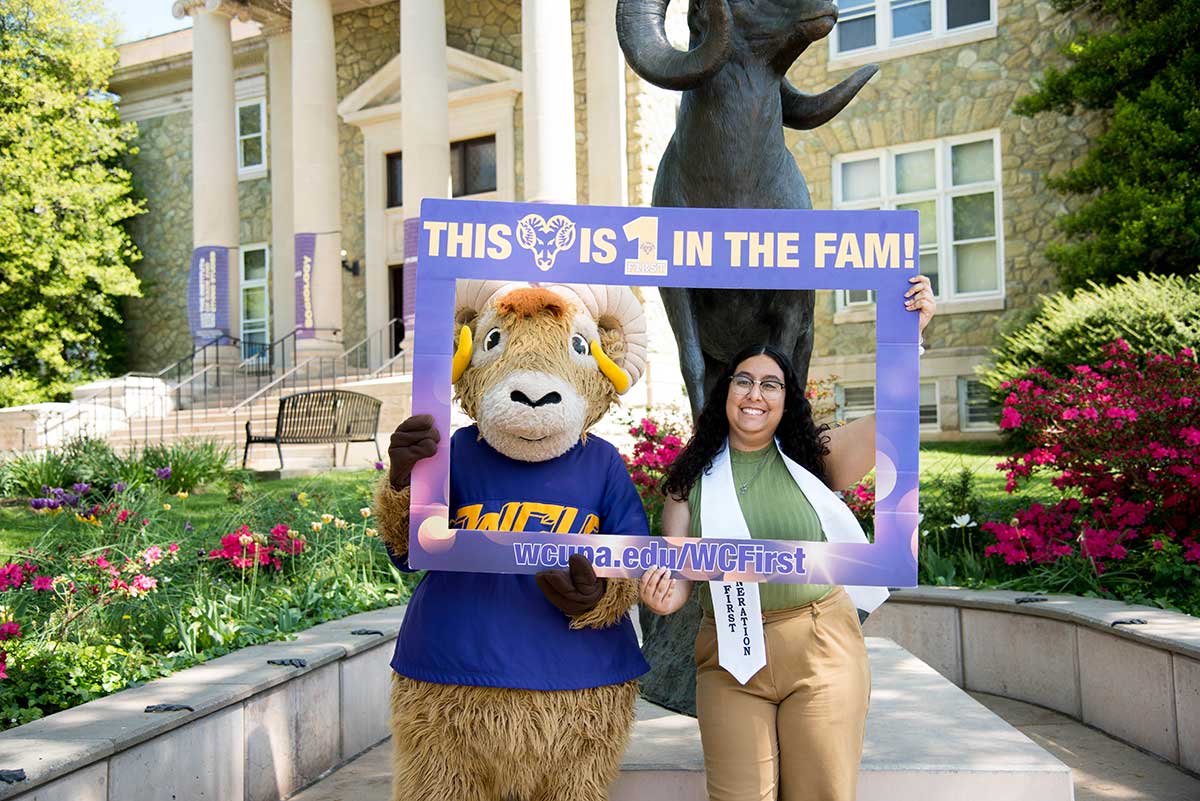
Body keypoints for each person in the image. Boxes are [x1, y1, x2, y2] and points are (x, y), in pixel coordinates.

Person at [639, 275, 935, 801]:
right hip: (731, 658)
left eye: (771, 384)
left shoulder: (812, 460)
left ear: (786, 398)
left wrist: (909, 339)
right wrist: (661, 596)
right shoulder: (689, 484)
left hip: (820, 647)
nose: (755, 394)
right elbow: (680, 579)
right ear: (724, 392)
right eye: (743, 381)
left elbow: (893, 421)